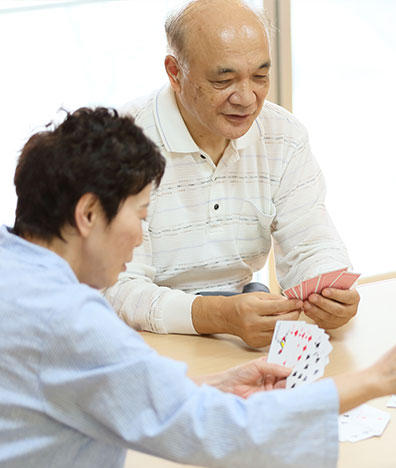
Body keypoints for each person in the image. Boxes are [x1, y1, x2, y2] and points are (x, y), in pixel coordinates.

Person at [0, 107, 396, 468]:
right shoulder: (69, 320)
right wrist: (377, 379)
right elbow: (221, 431)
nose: (139, 237)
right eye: (141, 214)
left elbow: (88, 390)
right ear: (88, 214)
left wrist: (209, 385)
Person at [104, 0, 357, 348]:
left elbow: (313, 243)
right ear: (175, 73)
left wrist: (331, 290)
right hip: (139, 343)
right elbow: (116, 288)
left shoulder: (282, 135)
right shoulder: (121, 143)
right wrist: (218, 314)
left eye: (260, 76)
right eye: (224, 79)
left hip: (240, 334)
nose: (247, 98)